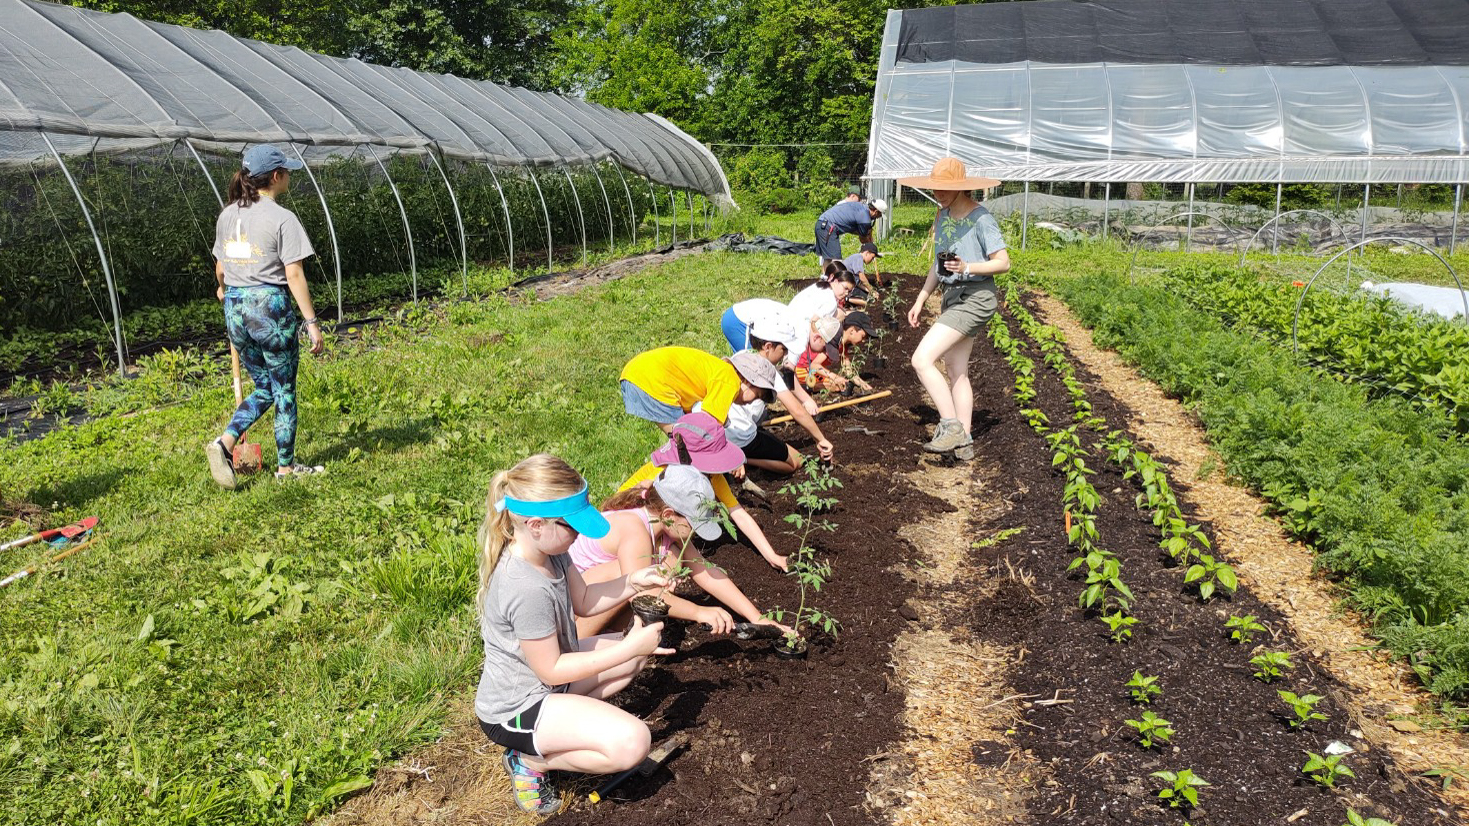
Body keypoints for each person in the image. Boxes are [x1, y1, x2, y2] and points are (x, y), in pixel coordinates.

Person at [475, 454, 673, 815]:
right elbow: (551, 670)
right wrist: (627, 646)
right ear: (536, 525)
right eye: (573, 525)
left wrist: (632, 582)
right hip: (518, 706)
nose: (580, 534)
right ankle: (531, 762)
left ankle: (563, 730)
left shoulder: (552, 551)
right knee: (633, 744)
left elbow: (583, 600)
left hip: (545, 682)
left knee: (637, 656)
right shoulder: (525, 587)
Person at [206, 144, 325, 490]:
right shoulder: (282, 218)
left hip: (236, 311)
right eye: (286, 171)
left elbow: (221, 266)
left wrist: (222, 287)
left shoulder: (228, 214)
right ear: (276, 177)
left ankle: (226, 442)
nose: (288, 176)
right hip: (268, 311)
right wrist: (312, 323)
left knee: (265, 387)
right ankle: (286, 469)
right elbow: (294, 275)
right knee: (284, 390)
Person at [571, 464, 791, 639]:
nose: (695, 531)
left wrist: (757, 617)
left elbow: (707, 573)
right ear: (669, 515)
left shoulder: (665, 529)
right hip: (568, 615)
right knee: (635, 578)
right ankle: (581, 645)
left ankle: (615, 636)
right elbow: (640, 594)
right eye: (694, 524)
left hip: (592, 605)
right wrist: (698, 612)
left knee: (670, 561)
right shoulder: (634, 530)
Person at [900, 157, 1009, 459]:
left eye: (946, 189)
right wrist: (921, 299)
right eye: (935, 188)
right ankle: (966, 439)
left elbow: (1003, 262)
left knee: (922, 359)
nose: (939, 193)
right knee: (956, 370)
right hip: (953, 297)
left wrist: (967, 267)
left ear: (962, 188)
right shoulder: (942, 215)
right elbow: (939, 265)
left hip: (975, 298)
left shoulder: (981, 218)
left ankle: (950, 427)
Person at [620, 413, 790, 570]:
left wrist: (771, 555)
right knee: (672, 564)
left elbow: (738, 514)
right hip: (630, 530)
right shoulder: (663, 475)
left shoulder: (710, 476)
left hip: (659, 531)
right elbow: (632, 510)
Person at [619, 347, 781, 435]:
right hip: (651, 380)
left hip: (636, 372)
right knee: (684, 441)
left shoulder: (719, 370)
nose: (752, 402)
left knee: (683, 435)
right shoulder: (730, 380)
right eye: (757, 396)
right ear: (748, 380)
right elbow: (708, 425)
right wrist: (731, 458)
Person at [796, 314, 876, 394]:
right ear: (852, 331)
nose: (863, 341)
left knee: (839, 384)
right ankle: (803, 388)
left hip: (814, 371)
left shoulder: (844, 345)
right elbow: (814, 365)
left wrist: (862, 384)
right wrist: (836, 377)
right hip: (804, 369)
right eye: (863, 336)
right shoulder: (834, 340)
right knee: (834, 385)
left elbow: (848, 370)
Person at [814, 196, 887, 267]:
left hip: (821, 223)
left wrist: (868, 234)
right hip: (829, 227)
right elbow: (863, 239)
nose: (878, 218)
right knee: (836, 261)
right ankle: (836, 278)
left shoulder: (860, 207)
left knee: (828, 258)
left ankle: (825, 277)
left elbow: (854, 228)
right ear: (876, 212)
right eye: (879, 215)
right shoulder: (865, 219)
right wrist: (872, 249)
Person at [788, 263, 857, 325]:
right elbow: (814, 321)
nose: (846, 293)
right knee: (840, 315)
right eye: (845, 288)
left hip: (787, 317)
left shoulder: (819, 285)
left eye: (849, 291)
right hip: (796, 328)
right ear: (836, 281)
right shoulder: (831, 302)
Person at [842, 242, 886, 306]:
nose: (872, 260)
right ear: (867, 253)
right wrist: (871, 290)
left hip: (847, 284)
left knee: (868, 297)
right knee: (869, 301)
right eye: (872, 257)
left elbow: (858, 283)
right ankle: (846, 299)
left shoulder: (856, 258)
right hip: (844, 285)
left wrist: (870, 291)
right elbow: (862, 278)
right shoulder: (858, 258)